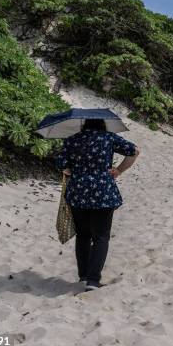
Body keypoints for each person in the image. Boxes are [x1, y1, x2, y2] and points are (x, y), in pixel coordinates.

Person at [56, 119, 140, 291]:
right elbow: (135, 151)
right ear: (103, 124)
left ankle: (83, 275)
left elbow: (62, 165)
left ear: (84, 124)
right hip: (103, 193)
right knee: (101, 237)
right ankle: (93, 281)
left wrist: (74, 171)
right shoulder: (108, 137)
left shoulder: (72, 139)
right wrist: (119, 170)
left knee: (83, 235)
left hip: (78, 193)